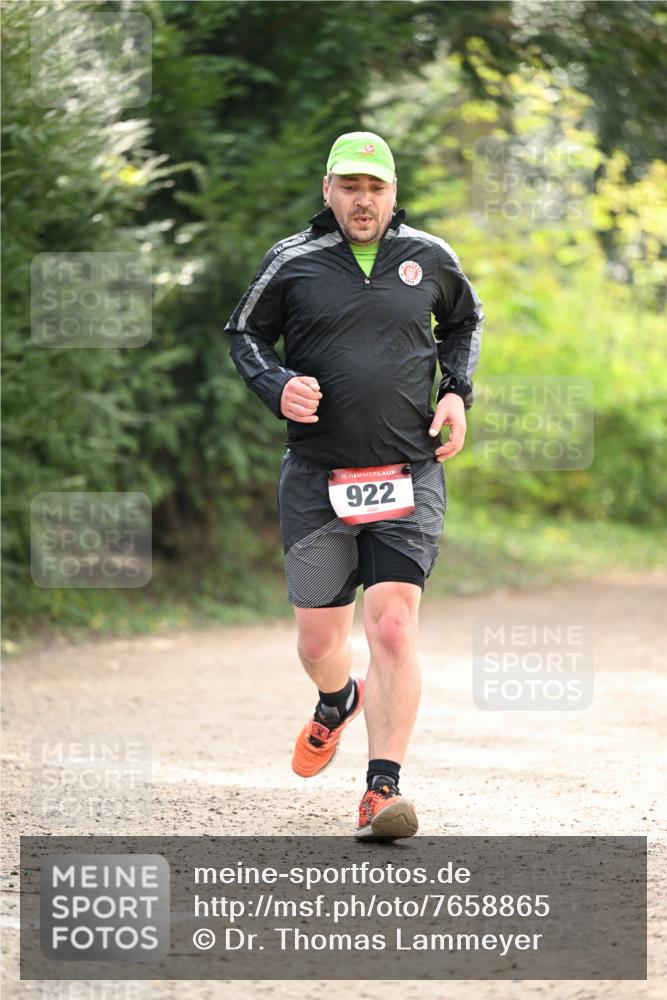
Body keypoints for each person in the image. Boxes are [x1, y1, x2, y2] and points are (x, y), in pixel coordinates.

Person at [225, 131, 483, 840]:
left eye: (374, 187)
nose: (362, 199)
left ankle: (380, 792)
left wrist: (457, 392)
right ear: (327, 191)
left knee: (394, 625)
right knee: (317, 644)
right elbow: (243, 333)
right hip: (317, 479)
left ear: (392, 193)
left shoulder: (429, 258)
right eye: (349, 186)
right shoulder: (292, 260)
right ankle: (336, 699)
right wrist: (275, 385)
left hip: (408, 470)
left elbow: (464, 319)